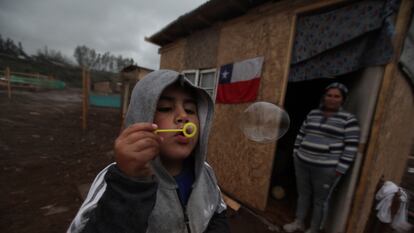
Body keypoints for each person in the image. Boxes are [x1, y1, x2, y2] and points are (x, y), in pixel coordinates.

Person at [67, 70, 229, 233]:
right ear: (141, 118)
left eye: (190, 110)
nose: (183, 116)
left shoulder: (205, 172)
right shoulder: (115, 180)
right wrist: (129, 185)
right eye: (165, 108)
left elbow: (217, 211)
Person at [283, 82, 360, 233]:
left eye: (336, 96)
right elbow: (301, 134)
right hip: (302, 163)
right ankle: (298, 222)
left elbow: (351, 147)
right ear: (324, 97)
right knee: (303, 195)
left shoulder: (348, 120)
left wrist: (340, 170)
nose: (332, 99)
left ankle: (314, 229)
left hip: (327, 169)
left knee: (320, 201)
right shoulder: (313, 114)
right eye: (329, 95)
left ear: (342, 99)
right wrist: (296, 154)